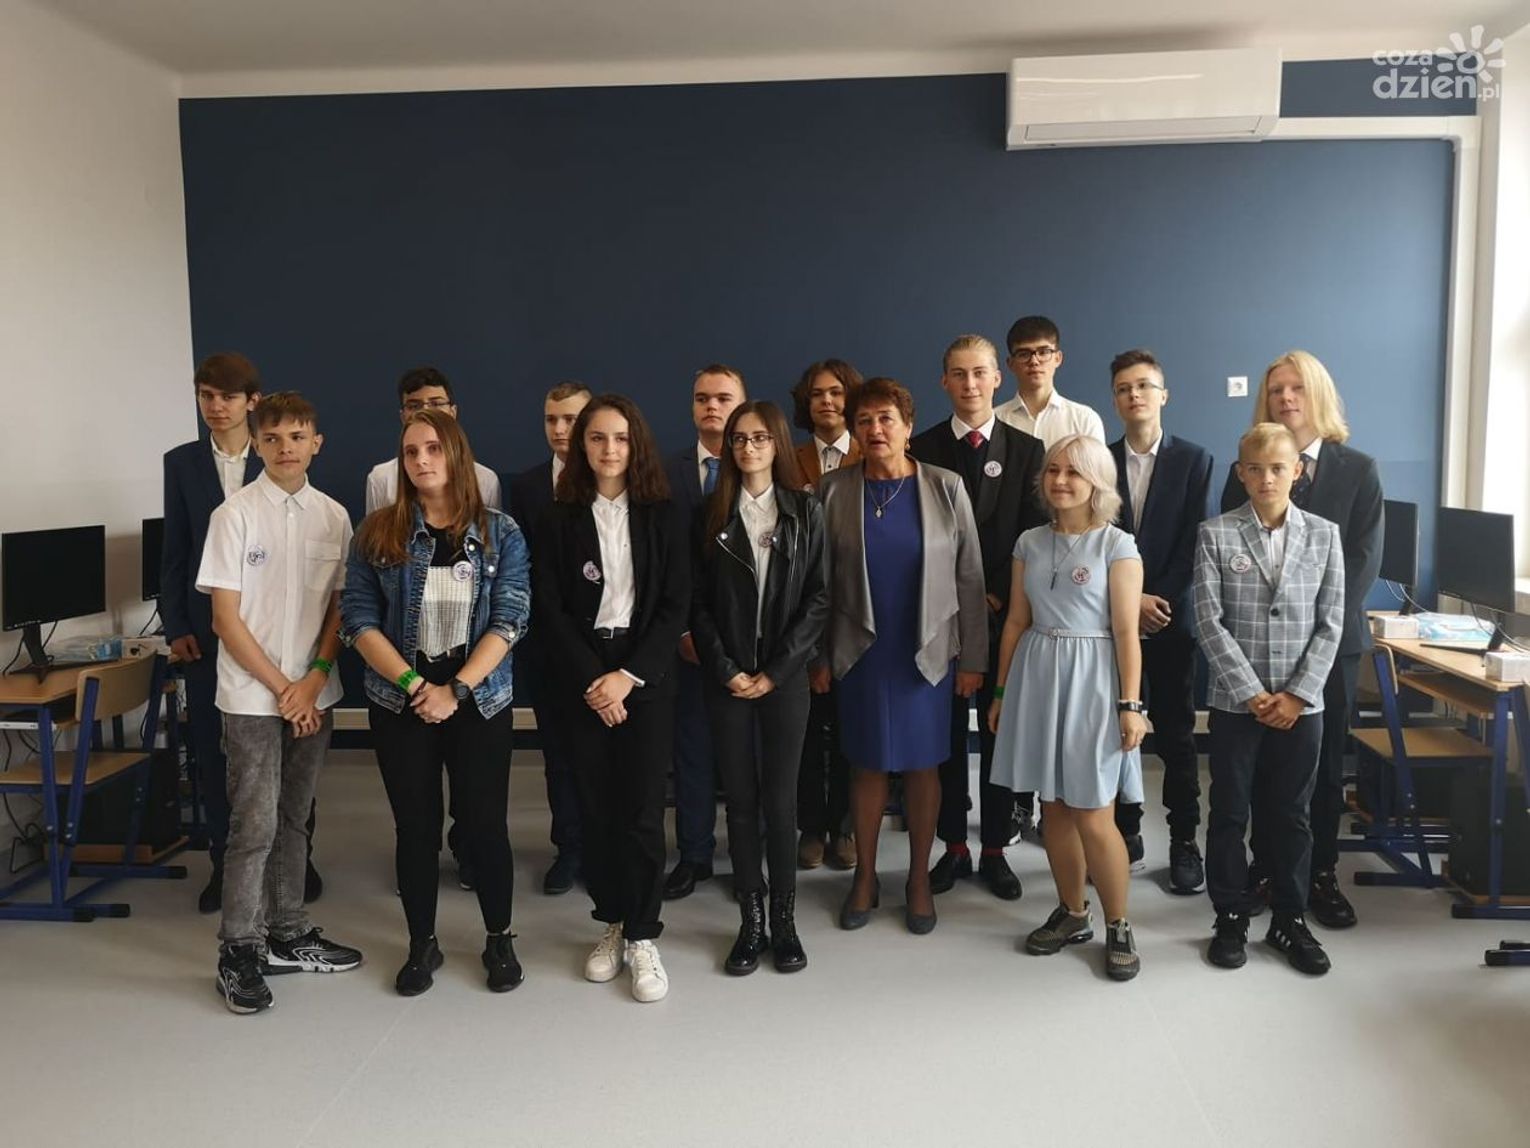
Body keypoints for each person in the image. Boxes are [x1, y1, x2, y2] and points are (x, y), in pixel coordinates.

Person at [341, 410, 531, 996]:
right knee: (415, 827)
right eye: (410, 451)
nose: (421, 460)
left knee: (485, 825)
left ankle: (499, 937)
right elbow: (358, 620)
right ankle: (421, 942)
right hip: (403, 699)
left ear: (456, 454)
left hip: (479, 698)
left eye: (432, 448)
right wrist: (415, 686)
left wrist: (457, 690)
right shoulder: (377, 533)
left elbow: (510, 619)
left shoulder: (501, 532)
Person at [196, 392, 362, 1014]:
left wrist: (313, 679)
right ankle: (239, 950)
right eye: (272, 438)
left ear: (316, 443)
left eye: (297, 436)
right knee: (254, 823)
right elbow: (225, 619)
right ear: (257, 446)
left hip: (314, 693)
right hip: (251, 697)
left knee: (295, 816)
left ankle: (288, 931)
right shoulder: (233, 515)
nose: (285, 448)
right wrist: (283, 688)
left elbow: (340, 608)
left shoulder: (334, 517)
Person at [1218, 351, 1383, 929]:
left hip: (1328, 651)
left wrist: (1309, 652)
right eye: (1276, 389)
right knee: (1265, 771)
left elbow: (1361, 562)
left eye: (1297, 388)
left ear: (1319, 395)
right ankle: (1266, 870)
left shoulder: (1357, 470)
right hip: (1256, 652)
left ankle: (1319, 874)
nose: (1286, 398)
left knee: (1323, 771)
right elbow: (1231, 558)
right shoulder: (1244, 467)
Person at [534, 394, 690, 1003]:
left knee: (643, 811)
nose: (609, 449)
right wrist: (595, 681)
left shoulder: (663, 514)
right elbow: (549, 607)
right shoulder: (557, 517)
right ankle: (613, 922)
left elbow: (675, 604)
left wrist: (628, 676)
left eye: (621, 438)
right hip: (583, 676)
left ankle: (644, 935)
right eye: (597, 438)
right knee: (596, 809)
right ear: (582, 446)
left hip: (644, 676)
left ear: (637, 444)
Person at [820, 377, 987, 935]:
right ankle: (865, 876)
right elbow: (818, 584)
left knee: (923, 765)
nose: (875, 429)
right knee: (866, 763)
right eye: (864, 420)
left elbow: (969, 578)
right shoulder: (832, 490)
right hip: (860, 651)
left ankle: (917, 879)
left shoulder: (945, 487)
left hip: (927, 651)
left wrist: (973, 659)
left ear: (908, 426)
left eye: (886, 418)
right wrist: (819, 655)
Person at [989, 434, 1146, 981]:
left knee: (1093, 812)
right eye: (1053, 470)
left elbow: (1126, 632)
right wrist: (1001, 693)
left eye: (1074, 472)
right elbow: (1016, 620)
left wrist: (1130, 704)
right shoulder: (1029, 542)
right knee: (1052, 808)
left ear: (1097, 482)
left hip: (1093, 679)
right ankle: (1073, 911)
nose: (1059, 480)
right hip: (1036, 673)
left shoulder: (1117, 546)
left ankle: (1118, 922)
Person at [1196, 423, 1344, 975]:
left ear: (1297, 471)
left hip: (1302, 707)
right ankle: (1230, 915)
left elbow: (1331, 622)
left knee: (1292, 815)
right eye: (1255, 469)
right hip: (1238, 703)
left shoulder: (1324, 535)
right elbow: (1208, 621)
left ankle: (1289, 917)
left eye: (1278, 468)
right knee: (1230, 811)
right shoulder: (1216, 534)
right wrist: (1253, 693)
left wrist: (1298, 694)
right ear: (1240, 473)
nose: (1266, 479)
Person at [692, 401, 828, 975]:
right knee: (742, 803)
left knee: (781, 801)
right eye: (738, 439)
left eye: (760, 438)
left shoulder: (805, 510)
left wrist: (776, 670)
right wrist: (726, 668)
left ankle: (785, 921)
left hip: (784, 678)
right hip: (727, 679)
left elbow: (819, 598)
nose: (748, 448)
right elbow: (697, 605)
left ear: (778, 444)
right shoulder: (710, 513)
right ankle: (750, 921)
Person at [909, 335, 1045, 902]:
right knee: (942, 736)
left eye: (980, 373)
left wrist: (991, 594)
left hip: (1003, 612)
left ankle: (993, 848)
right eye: (959, 374)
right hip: (937, 615)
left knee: (997, 733)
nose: (970, 384)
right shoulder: (921, 448)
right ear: (944, 381)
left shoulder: (1028, 449)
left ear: (997, 378)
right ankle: (952, 846)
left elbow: (1033, 534)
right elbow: (917, 536)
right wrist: (958, 597)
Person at [1105, 350, 1214, 894]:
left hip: (1171, 618)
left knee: (1175, 735)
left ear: (1163, 395)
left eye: (1144, 385)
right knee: (1116, 732)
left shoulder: (1195, 460)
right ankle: (1124, 830)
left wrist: (1155, 598)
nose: (1135, 395)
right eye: (1124, 388)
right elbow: (1094, 539)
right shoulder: (1100, 460)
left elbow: (1197, 539)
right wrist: (1131, 602)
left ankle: (1183, 839)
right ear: (1115, 399)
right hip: (1112, 622)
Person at [161, 352, 264, 914]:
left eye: (227, 396)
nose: (216, 407)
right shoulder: (181, 463)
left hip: (269, 627)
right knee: (211, 749)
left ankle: (293, 859)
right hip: (204, 630)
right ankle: (224, 865)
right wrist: (175, 624)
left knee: (280, 749)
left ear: (251, 401)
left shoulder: (276, 452)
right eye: (206, 396)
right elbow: (175, 549)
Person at [662, 364, 747, 899]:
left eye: (723, 398)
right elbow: (659, 562)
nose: (711, 406)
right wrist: (679, 632)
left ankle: (747, 856)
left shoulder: (761, 466)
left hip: (746, 641)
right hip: (686, 640)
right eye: (701, 398)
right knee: (690, 751)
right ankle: (694, 855)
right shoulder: (664, 472)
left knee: (745, 756)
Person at [508, 381, 592, 895]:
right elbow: (520, 569)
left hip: (605, 647)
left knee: (606, 753)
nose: (560, 429)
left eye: (571, 419)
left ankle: (605, 846)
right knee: (558, 754)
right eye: (551, 419)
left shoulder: (614, 479)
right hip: (546, 646)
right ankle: (570, 847)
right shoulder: (526, 488)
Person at [790, 358, 862, 870]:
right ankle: (811, 825)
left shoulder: (875, 451)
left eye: (837, 392)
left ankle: (845, 826)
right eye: (817, 394)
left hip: (859, 615)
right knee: (809, 731)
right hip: (803, 614)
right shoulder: (788, 460)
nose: (828, 402)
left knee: (853, 730)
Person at [364, 366, 503, 513]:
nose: (425, 411)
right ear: (403, 416)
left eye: (436, 404)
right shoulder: (381, 479)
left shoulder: (484, 480)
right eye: (414, 406)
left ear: (452, 412)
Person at [994, 315, 1107, 448]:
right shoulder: (993, 421)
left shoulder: (1084, 420)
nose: (1034, 361)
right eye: (1024, 354)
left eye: (1043, 352)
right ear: (1010, 364)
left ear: (1058, 358)